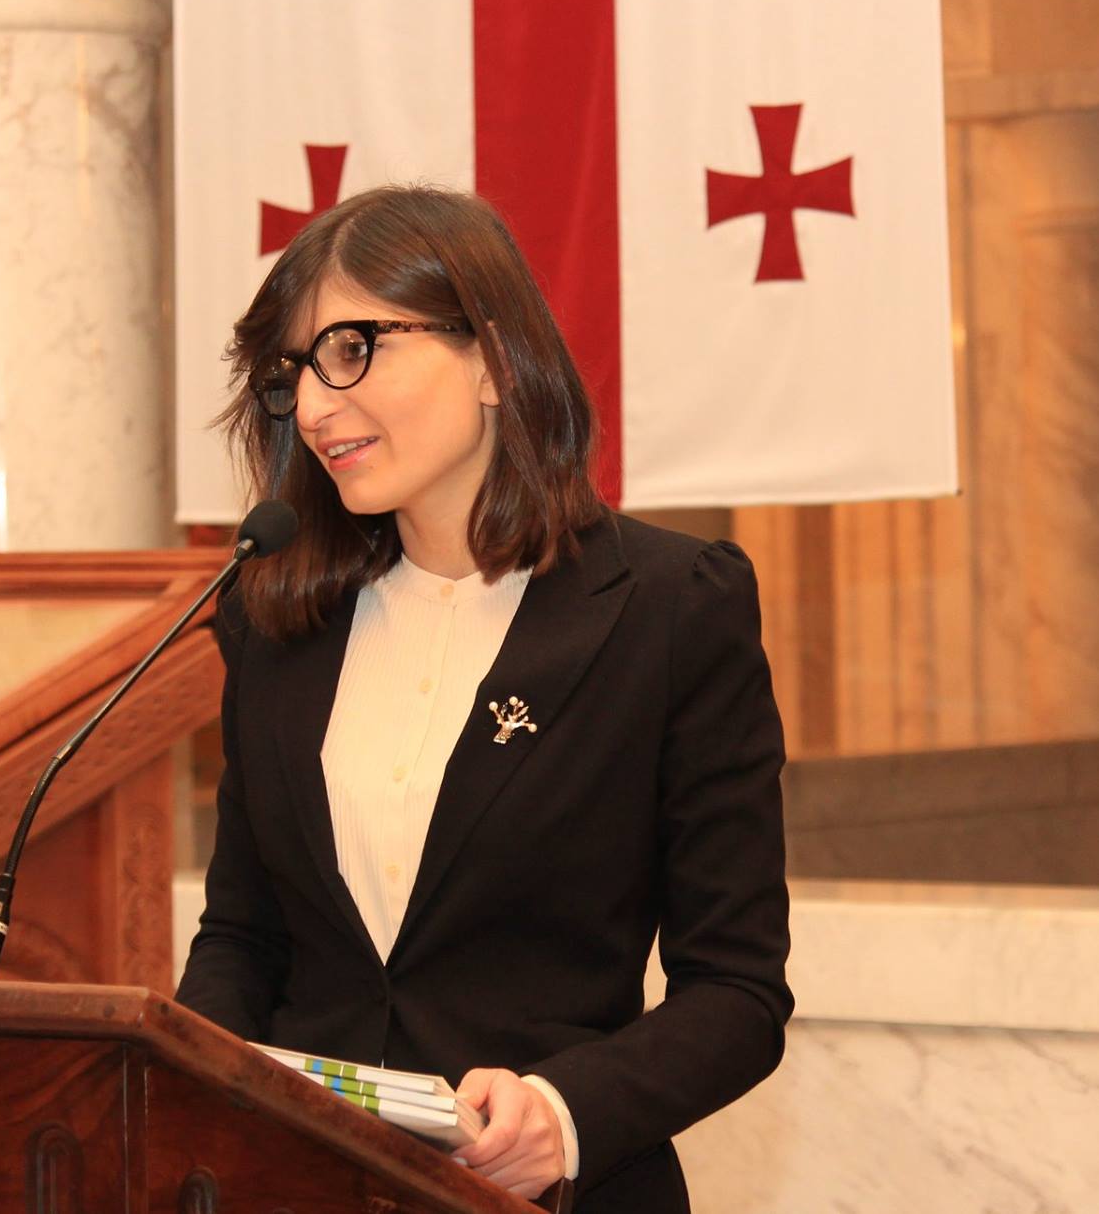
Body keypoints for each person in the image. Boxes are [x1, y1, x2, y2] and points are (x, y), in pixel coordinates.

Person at [176, 185, 792, 1214]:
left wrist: (562, 1111)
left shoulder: (670, 608)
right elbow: (243, 936)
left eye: (352, 348)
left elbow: (737, 991)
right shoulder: (276, 618)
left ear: (493, 360)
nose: (316, 407)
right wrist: (198, 1079)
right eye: (294, 373)